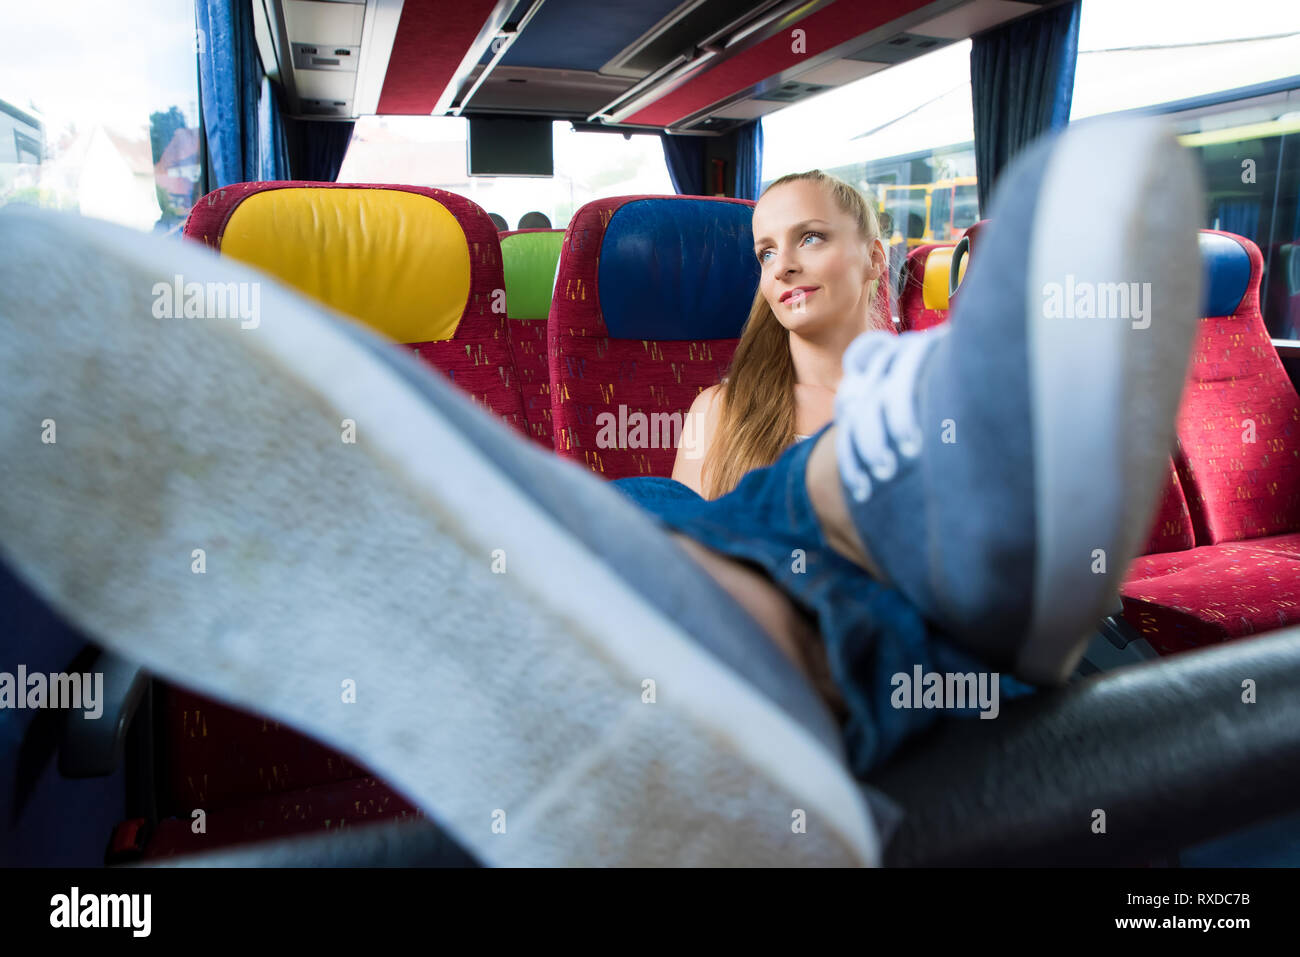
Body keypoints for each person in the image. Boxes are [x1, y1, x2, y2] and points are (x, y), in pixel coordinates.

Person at [0, 116, 1203, 865]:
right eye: (764, 248)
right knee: (685, 513)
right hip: (873, 634)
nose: (781, 264)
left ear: (874, 256)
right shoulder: (714, 411)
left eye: (812, 240)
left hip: (961, 643)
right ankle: (786, 604)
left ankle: (771, 613)